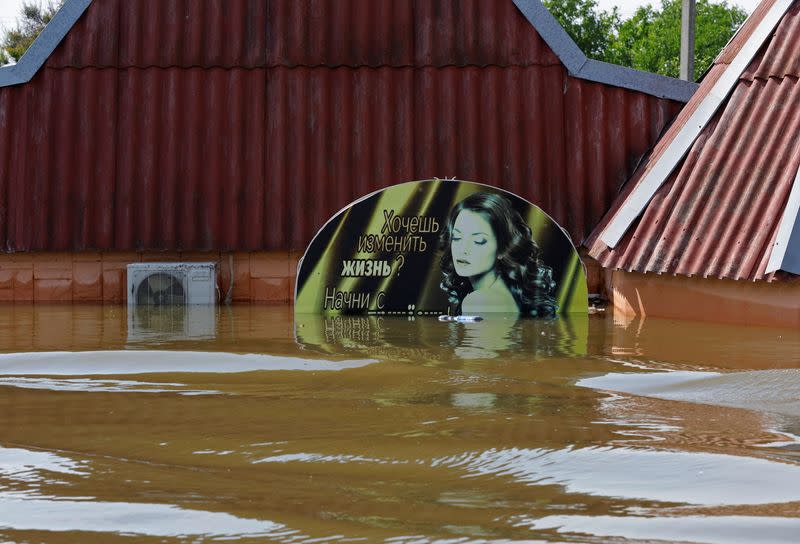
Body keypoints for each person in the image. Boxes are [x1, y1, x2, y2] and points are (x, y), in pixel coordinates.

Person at [439, 192, 557, 317]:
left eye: (478, 241)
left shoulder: (480, 301)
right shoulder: (505, 294)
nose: (463, 249)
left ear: (502, 249)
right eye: (457, 238)